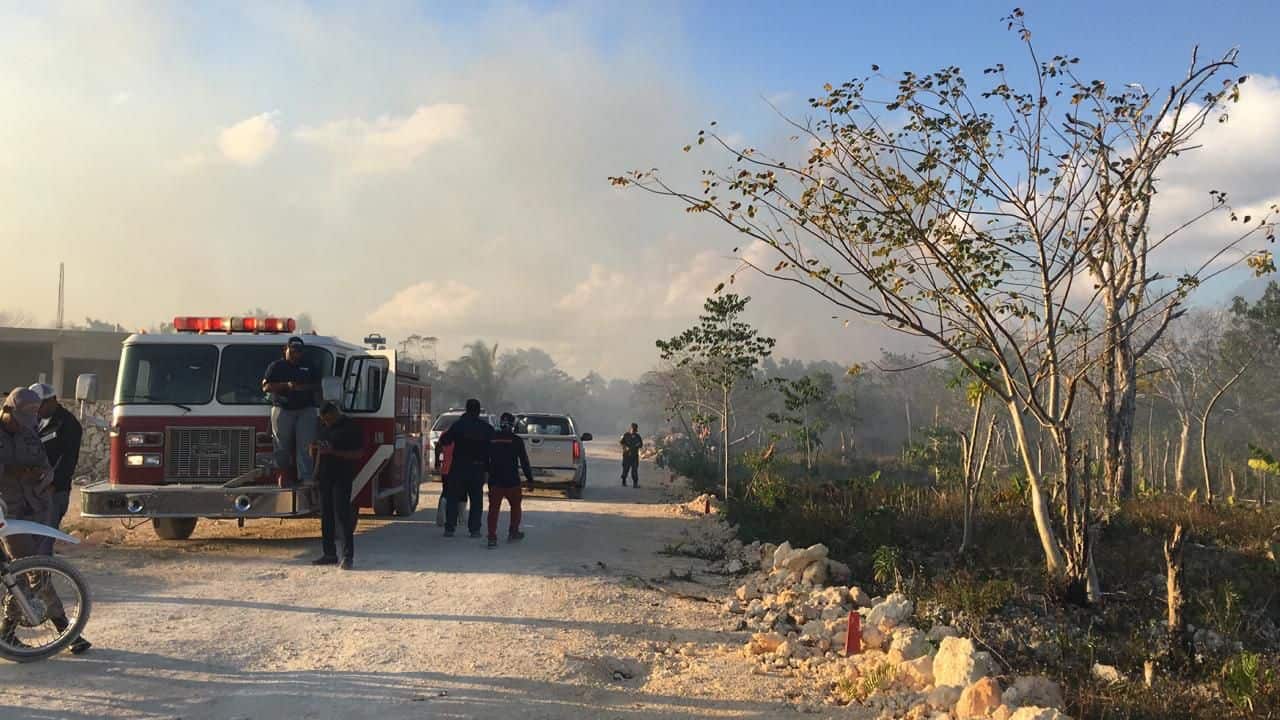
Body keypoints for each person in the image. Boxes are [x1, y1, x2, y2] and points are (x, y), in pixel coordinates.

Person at [0, 387, 89, 654]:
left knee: (29, 569)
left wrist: (43, 476)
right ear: (7, 410)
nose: (24, 425)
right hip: (8, 512)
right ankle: (63, 629)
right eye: (20, 418)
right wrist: (15, 471)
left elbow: (45, 465)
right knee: (32, 568)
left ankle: (9, 633)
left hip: (35, 509)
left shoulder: (29, 432)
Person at [29, 383, 81, 557]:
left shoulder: (67, 424)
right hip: (33, 490)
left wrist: (53, 484)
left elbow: (67, 460)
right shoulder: (35, 421)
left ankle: (42, 573)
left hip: (53, 492)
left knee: (43, 542)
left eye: (40, 404)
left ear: (52, 400)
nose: (37, 409)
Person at [310, 402, 364, 570]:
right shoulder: (322, 427)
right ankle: (329, 554)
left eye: (329, 419)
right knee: (326, 516)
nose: (326, 422)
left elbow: (358, 453)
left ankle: (348, 556)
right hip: (324, 477)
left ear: (336, 414)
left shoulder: (350, 427)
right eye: (324, 420)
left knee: (342, 516)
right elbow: (318, 451)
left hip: (342, 476)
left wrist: (334, 452)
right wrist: (314, 452)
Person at [261, 336, 320, 487]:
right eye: (293, 351)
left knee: (306, 445)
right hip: (282, 409)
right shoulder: (276, 366)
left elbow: (318, 386)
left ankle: (305, 477)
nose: (296, 354)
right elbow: (266, 387)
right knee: (281, 446)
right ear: (285, 350)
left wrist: (304, 387)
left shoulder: (310, 366)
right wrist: (286, 386)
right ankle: (282, 476)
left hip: (306, 409)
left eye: (299, 351)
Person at [437, 399, 493, 538]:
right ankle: (474, 530)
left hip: (459, 467)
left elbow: (445, 440)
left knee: (453, 498)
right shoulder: (485, 428)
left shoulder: (458, 425)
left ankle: (450, 528)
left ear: (466, 409)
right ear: (478, 411)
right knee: (476, 500)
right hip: (478, 468)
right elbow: (492, 447)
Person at [486, 412, 533, 549]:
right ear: (513, 426)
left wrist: (488, 474)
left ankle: (492, 537)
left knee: (493, 510)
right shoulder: (516, 440)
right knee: (516, 507)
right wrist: (530, 479)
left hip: (495, 481)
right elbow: (524, 461)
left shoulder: (492, 439)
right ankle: (513, 532)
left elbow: (485, 459)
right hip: (512, 481)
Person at [620, 423, 643, 488]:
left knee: (634, 470)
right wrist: (625, 447)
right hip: (626, 455)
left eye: (635, 429)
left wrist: (637, 445)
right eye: (633, 429)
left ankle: (635, 484)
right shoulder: (626, 435)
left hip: (634, 455)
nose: (633, 430)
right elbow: (621, 442)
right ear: (630, 429)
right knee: (625, 469)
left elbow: (641, 445)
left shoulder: (638, 436)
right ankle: (623, 481)